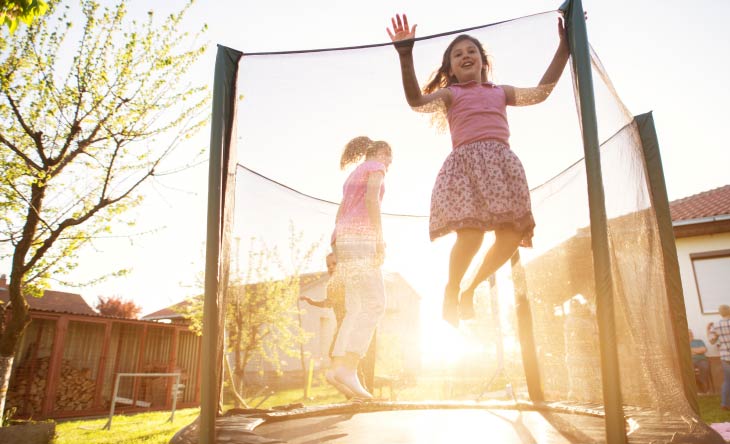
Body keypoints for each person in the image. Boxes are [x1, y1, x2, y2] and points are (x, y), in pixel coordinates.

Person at [387, 13, 570, 326]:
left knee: (511, 235)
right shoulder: (451, 95)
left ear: (483, 61)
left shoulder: (501, 91)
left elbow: (541, 92)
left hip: (502, 167)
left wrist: (565, 47)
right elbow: (417, 101)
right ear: (451, 70)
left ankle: (470, 289)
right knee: (470, 237)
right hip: (465, 169)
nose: (465, 56)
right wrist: (406, 55)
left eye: (471, 51)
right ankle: (452, 288)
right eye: (457, 55)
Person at [326, 136, 392, 400]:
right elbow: (372, 201)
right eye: (390, 157)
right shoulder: (376, 167)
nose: (390, 164)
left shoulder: (353, 174)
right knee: (376, 303)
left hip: (343, 239)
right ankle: (350, 367)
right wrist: (378, 238)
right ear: (380, 152)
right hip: (361, 238)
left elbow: (340, 213)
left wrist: (335, 246)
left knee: (356, 306)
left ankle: (337, 368)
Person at [708, 304, 730, 410]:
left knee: (727, 381)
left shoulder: (716, 325)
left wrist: (708, 330)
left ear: (720, 313)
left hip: (725, 357)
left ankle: (724, 404)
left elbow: (712, 341)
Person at [689, 329, 711, 394]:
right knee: (690, 370)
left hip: (701, 360)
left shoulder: (699, 341)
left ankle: (705, 389)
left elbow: (704, 350)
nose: (691, 335)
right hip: (690, 361)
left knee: (704, 368)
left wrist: (691, 350)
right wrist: (698, 351)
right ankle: (698, 390)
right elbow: (685, 353)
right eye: (689, 334)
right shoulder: (683, 343)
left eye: (691, 333)